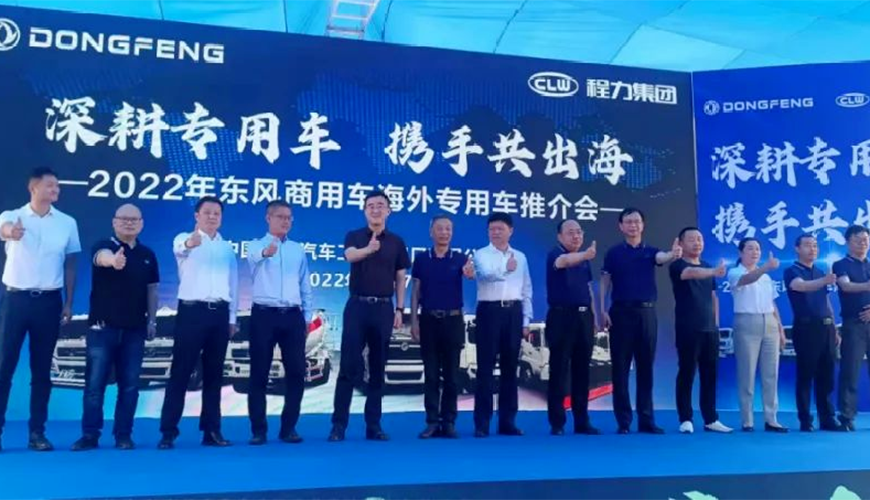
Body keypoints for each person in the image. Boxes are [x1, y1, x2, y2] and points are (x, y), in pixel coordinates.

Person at [0, 167, 80, 452]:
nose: (55, 190)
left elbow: (71, 264)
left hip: (49, 302)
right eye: (49, 185)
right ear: (33, 187)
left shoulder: (67, 223)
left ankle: (37, 432)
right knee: (4, 365)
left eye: (57, 186)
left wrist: (68, 302)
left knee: (42, 370)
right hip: (16, 301)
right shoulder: (13, 215)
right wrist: (12, 232)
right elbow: (4, 230)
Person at [71, 204, 159, 451]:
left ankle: (123, 434)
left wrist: (152, 320)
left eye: (134, 219)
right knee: (95, 385)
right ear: (114, 222)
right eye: (124, 219)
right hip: (103, 329)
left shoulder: (147, 254)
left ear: (141, 223)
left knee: (130, 386)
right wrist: (114, 261)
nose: (129, 223)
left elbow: (152, 290)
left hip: (134, 330)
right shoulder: (103, 246)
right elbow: (101, 258)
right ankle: (90, 435)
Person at [158, 196, 239, 449]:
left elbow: (234, 284)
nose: (212, 217)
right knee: (181, 372)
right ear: (197, 215)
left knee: (214, 375)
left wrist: (232, 318)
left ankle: (211, 430)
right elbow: (180, 248)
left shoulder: (227, 248)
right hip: (191, 313)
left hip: (219, 314)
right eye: (207, 212)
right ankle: (168, 431)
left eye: (217, 213)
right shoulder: (184, 239)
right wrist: (190, 243)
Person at [330, 191, 410, 442]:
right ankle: (338, 425)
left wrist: (400, 309)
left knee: (378, 367)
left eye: (380, 206)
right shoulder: (354, 236)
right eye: (371, 206)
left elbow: (400, 277)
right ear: (365, 211)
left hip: (384, 308)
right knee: (348, 367)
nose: (376, 210)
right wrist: (369, 249)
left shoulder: (396, 242)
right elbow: (350, 255)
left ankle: (373, 425)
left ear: (389, 211)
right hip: (357, 306)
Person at [599, 208, 680, 434]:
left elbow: (661, 258)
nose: (633, 225)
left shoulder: (650, 251)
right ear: (621, 226)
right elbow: (605, 282)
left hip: (646, 314)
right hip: (620, 313)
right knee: (620, 369)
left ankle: (646, 420)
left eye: (637, 221)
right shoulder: (614, 253)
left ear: (643, 225)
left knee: (646, 368)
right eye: (628, 222)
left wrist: (672, 254)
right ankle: (623, 422)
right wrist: (602, 309)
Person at [246, 200, 313, 445]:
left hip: (292, 316)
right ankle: (258, 430)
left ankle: (289, 428)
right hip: (264, 315)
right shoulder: (255, 245)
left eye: (289, 218)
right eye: (280, 217)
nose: (285, 221)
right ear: (268, 218)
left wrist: (307, 317)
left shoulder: (297, 249)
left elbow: (305, 284)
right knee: (259, 373)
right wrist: (266, 252)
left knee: (296, 372)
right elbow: (254, 258)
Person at [410, 215, 474, 439]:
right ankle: (431, 422)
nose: (444, 232)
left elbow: (471, 275)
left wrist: (471, 273)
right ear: (431, 232)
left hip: (453, 321)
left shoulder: (460, 258)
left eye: (448, 229)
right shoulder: (421, 259)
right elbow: (415, 292)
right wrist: (414, 321)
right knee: (430, 375)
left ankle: (449, 422)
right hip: (428, 321)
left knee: (451, 376)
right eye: (440, 228)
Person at [472, 212, 532, 438]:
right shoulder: (481, 254)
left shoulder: (521, 257)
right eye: (492, 229)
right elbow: (485, 276)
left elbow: (526, 289)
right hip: (489, 311)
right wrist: (506, 268)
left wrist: (526, 320)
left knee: (510, 368)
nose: (495, 233)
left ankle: (507, 421)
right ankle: (482, 423)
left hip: (513, 313)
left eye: (500, 229)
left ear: (510, 231)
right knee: (485, 369)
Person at [668, 227, 731, 434]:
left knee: (710, 374)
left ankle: (711, 419)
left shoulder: (707, 266)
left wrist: (716, 324)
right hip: (688, 327)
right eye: (692, 239)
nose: (697, 243)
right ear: (681, 243)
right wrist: (713, 272)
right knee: (687, 372)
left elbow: (713, 297)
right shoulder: (677, 265)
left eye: (700, 239)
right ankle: (685, 418)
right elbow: (689, 273)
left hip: (709, 329)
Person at [545, 219, 600, 436]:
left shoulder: (584, 261)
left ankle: (582, 420)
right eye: (570, 232)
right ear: (560, 236)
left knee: (582, 370)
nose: (576, 236)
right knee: (559, 369)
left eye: (579, 232)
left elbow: (588, 289)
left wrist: (594, 317)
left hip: (584, 317)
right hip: (561, 317)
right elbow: (563, 262)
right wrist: (585, 255)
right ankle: (557, 422)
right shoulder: (555, 254)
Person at [784, 233, 844, 432]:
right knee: (806, 375)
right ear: (797, 248)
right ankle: (805, 419)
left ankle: (827, 418)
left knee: (827, 376)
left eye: (815, 245)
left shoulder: (819, 271)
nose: (813, 249)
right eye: (808, 245)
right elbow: (800, 286)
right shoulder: (792, 270)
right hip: (806, 328)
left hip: (825, 327)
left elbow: (826, 302)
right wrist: (824, 280)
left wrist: (834, 328)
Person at [727, 237, 787, 433]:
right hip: (747, 322)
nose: (755, 252)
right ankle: (747, 420)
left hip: (769, 322)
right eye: (750, 249)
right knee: (747, 372)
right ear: (741, 252)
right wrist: (765, 267)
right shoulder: (735, 272)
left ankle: (771, 418)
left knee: (771, 373)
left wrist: (780, 327)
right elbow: (746, 280)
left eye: (758, 249)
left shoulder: (766, 278)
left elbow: (772, 303)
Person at [833, 225, 870, 432]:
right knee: (850, 371)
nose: (863, 243)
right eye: (858, 239)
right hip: (853, 324)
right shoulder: (841, 265)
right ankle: (846, 417)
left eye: (866, 239)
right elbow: (846, 286)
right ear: (848, 242)